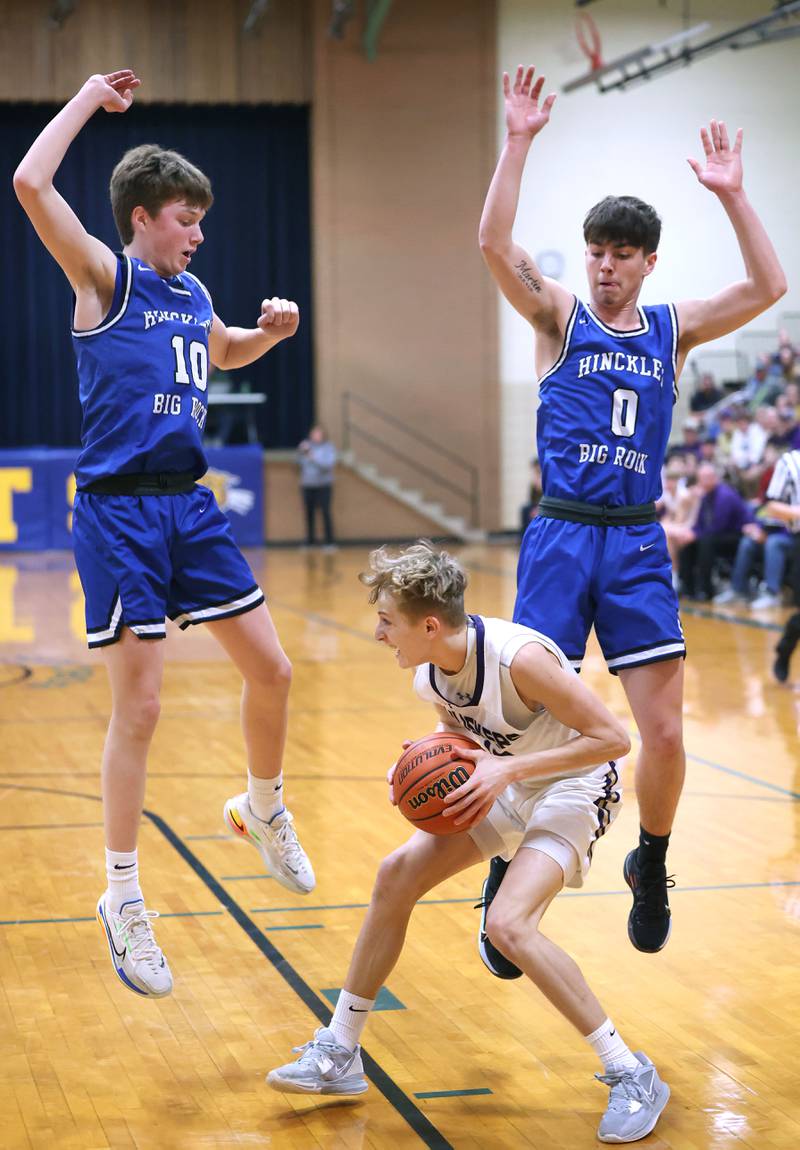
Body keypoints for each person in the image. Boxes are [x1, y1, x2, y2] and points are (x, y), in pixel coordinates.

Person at [13, 70, 315, 999]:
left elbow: (219, 348)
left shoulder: (192, 295)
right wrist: (86, 100)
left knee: (273, 669)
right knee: (139, 709)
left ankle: (261, 809)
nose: (198, 234)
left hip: (190, 504)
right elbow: (30, 183)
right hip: (117, 512)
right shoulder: (105, 278)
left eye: (201, 222)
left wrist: (269, 334)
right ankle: (122, 896)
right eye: (186, 219)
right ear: (142, 218)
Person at [478, 65, 786, 958]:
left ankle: (650, 860)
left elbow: (768, 286)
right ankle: (506, 859)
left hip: (639, 542)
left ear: (648, 262)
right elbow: (494, 243)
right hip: (563, 533)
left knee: (661, 730)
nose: (607, 267)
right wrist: (520, 139)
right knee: (533, 719)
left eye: (624, 254)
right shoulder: (557, 316)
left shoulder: (671, 329)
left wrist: (733, 195)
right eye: (598, 252)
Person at [266, 542, 670, 1144]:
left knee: (509, 926)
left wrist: (506, 772)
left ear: (429, 625)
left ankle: (631, 1072)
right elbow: (459, 731)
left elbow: (613, 739)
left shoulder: (520, 660)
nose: (379, 633)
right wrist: (422, 763)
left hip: (572, 785)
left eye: (386, 620)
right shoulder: (430, 671)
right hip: (503, 775)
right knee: (394, 875)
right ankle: (340, 1051)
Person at [297, 425, 337, 549]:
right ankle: (310, 541)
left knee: (325, 512)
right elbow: (297, 462)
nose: (316, 436)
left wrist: (313, 457)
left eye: (318, 434)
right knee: (309, 513)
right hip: (308, 485)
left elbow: (327, 465)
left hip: (323, 486)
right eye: (314, 434)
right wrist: (300, 451)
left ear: (323, 435)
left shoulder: (328, 448)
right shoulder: (306, 446)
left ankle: (329, 542)